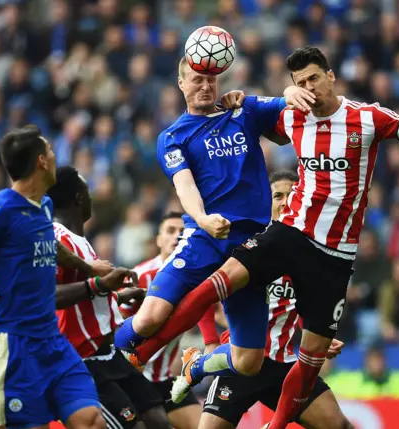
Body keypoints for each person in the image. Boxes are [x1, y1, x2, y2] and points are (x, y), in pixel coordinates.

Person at [128, 46, 399, 429]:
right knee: (221, 281)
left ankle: (271, 423)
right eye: (300, 82)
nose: (309, 88)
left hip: (335, 253)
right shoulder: (293, 119)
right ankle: (137, 353)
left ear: (331, 76)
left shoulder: (368, 117)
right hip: (291, 232)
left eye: (314, 78)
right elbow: (247, 118)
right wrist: (239, 100)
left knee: (312, 366)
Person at [113, 56, 312, 386]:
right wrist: (203, 219)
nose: (205, 86)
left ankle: (197, 364)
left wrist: (291, 90)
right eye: (196, 79)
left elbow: (282, 106)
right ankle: (102, 362)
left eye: (210, 80)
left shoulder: (242, 110)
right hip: (205, 236)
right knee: (149, 317)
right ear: (181, 84)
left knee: (249, 361)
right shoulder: (173, 136)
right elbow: (184, 184)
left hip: (253, 246)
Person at [0, 125, 113, 429]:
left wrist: (89, 268)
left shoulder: (44, 206)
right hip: (12, 345)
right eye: (50, 150)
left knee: (91, 420)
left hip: (51, 341)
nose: (55, 155)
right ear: (41, 161)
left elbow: (50, 246)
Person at [199, 170, 353, 429]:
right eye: (277, 196)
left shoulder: (311, 250)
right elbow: (204, 293)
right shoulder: (249, 245)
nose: (284, 202)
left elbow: (303, 302)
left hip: (283, 365)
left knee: (339, 426)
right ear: (266, 201)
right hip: (242, 359)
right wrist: (210, 341)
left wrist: (318, 336)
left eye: (291, 195)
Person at [47, 166, 171, 429]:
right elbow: (48, 296)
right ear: (79, 198)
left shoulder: (80, 241)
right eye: (88, 191)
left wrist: (116, 295)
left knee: (158, 420)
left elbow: (84, 295)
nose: (91, 198)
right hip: (81, 361)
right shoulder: (55, 241)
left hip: (109, 355)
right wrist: (101, 284)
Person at [128, 212, 207, 429]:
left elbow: (217, 313)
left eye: (182, 232)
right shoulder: (140, 276)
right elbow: (115, 321)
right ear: (158, 239)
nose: (176, 237)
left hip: (163, 379)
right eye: (170, 231)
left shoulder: (197, 278)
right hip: (134, 377)